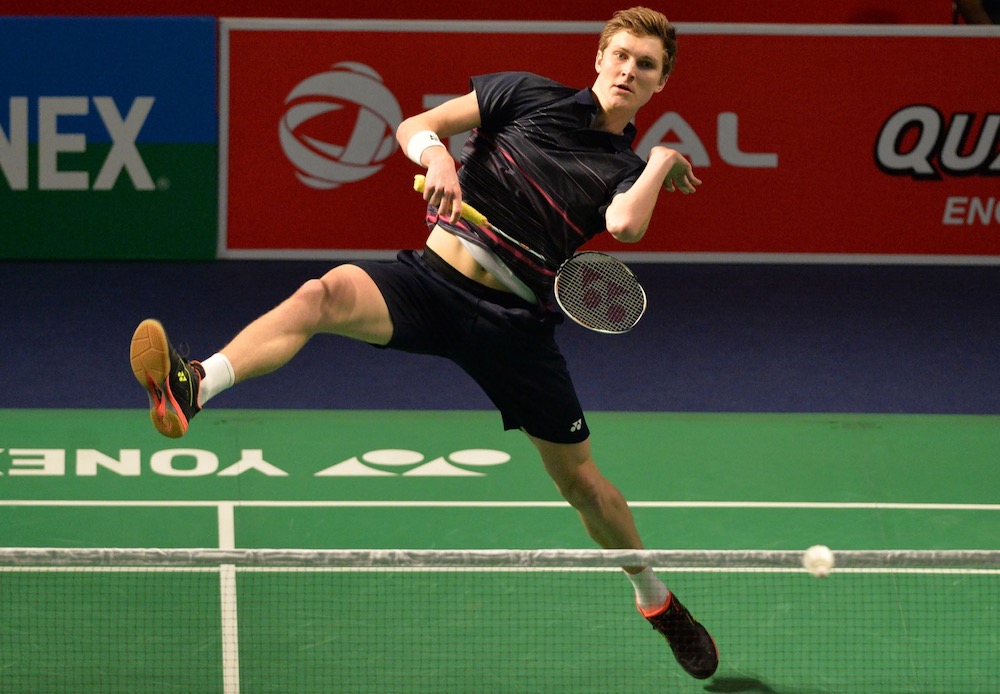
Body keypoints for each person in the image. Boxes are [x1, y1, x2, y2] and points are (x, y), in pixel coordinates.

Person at [129, 6, 718, 680]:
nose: (628, 70)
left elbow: (626, 225)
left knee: (583, 484)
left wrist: (660, 160)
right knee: (320, 295)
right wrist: (437, 155)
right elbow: (417, 125)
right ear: (598, 57)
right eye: (620, 55)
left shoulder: (622, 166)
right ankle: (194, 385)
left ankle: (655, 599)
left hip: (513, 326)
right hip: (431, 282)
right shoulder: (523, 93)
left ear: (659, 83)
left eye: (645, 65)